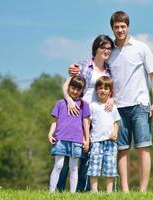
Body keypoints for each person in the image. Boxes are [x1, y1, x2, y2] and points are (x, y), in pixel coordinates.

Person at [108, 11, 153, 192]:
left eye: (123, 26)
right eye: (117, 27)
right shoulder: (109, 51)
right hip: (117, 108)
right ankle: (125, 191)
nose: (120, 30)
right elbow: (94, 65)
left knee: (143, 148)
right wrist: (75, 69)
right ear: (112, 28)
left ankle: (143, 191)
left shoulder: (141, 47)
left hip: (140, 105)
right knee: (122, 150)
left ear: (128, 26)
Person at [57, 34, 115, 192]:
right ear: (96, 48)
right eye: (103, 47)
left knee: (89, 154)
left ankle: (82, 190)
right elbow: (67, 86)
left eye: (109, 48)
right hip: (76, 113)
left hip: (95, 117)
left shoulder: (109, 70)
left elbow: (110, 91)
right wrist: (69, 101)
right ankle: (59, 189)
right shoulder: (83, 66)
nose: (106, 51)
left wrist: (112, 99)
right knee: (69, 153)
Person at [48, 75, 90, 193]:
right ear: (68, 87)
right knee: (58, 165)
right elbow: (55, 122)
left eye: (78, 89)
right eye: (73, 88)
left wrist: (87, 140)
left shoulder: (84, 105)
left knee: (74, 167)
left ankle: (72, 193)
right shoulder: (60, 103)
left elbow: (86, 123)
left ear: (82, 90)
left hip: (76, 141)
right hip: (61, 139)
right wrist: (50, 134)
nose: (75, 91)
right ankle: (51, 192)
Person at [87, 76, 121, 193]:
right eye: (100, 88)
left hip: (110, 141)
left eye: (106, 88)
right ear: (96, 89)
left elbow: (116, 122)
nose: (103, 90)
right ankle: (94, 190)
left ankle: (109, 191)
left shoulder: (112, 107)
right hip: (96, 140)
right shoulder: (92, 105)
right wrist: (86, 138)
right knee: (94, 165)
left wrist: (115, 132)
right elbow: (88, 123)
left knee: (110, 166)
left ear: (110, 91)